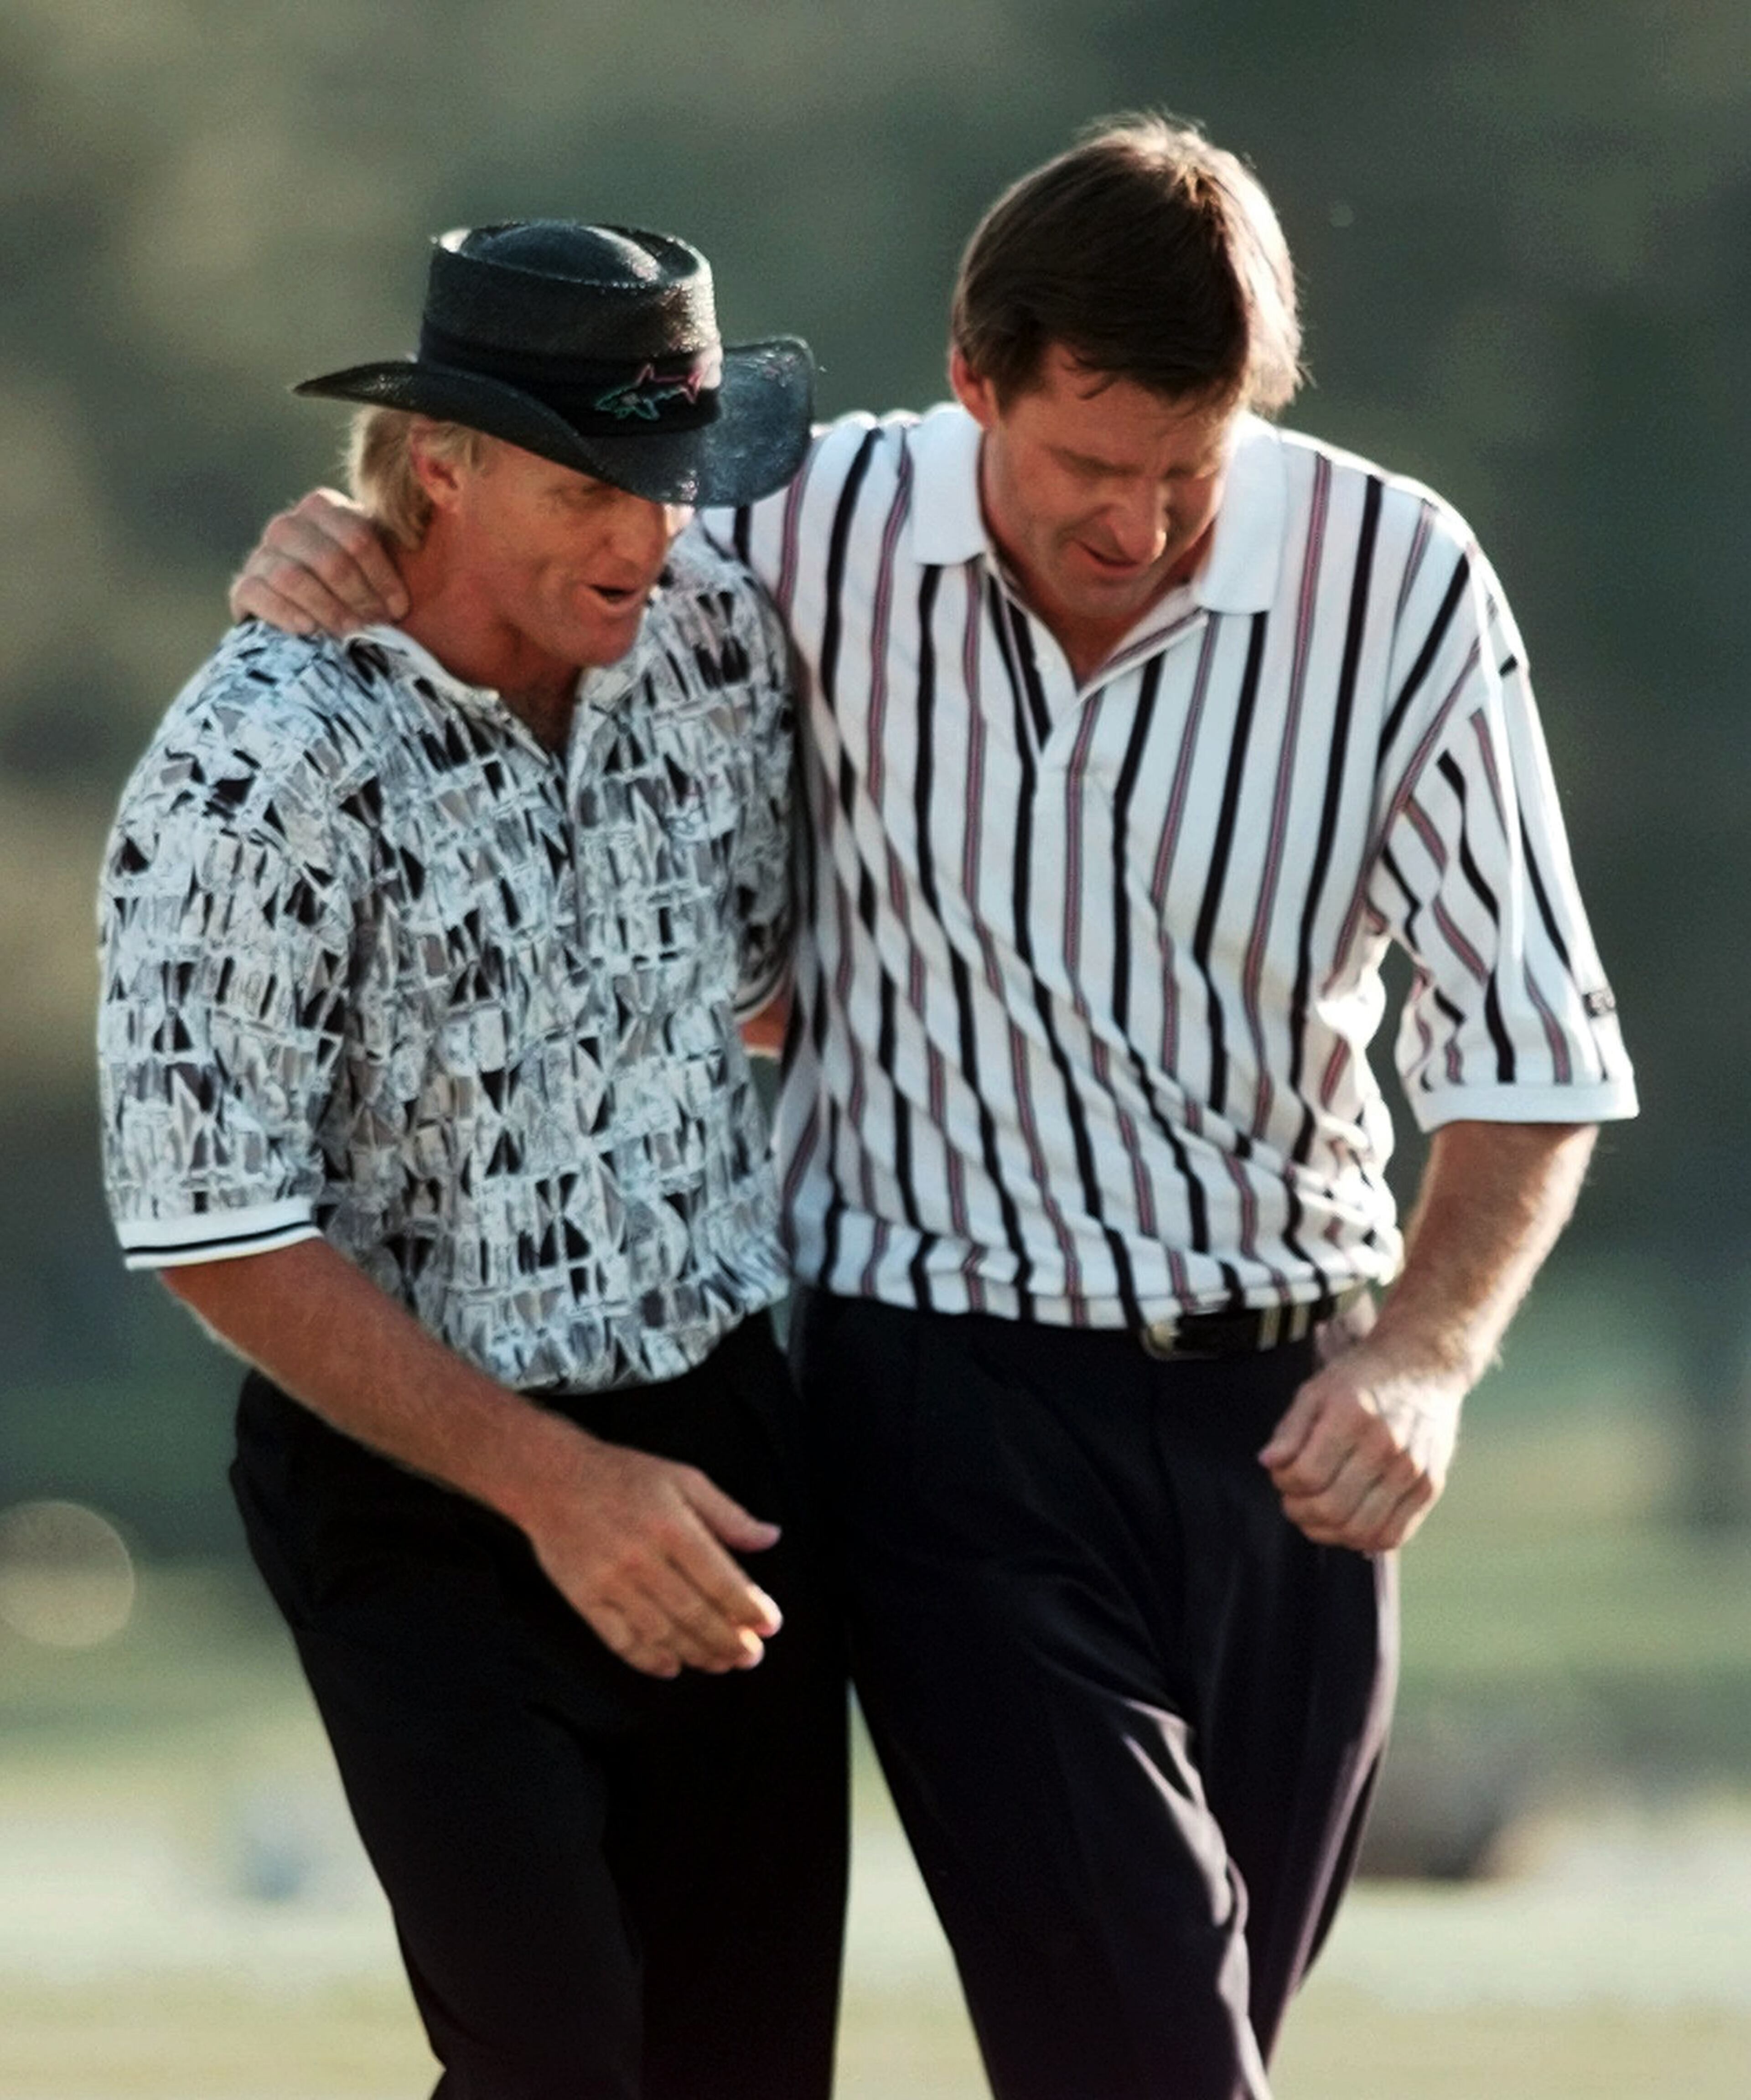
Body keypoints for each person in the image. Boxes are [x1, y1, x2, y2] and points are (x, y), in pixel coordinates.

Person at [230, 119, 1638, 2100]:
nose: (1139, 523)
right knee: (1149, 2055)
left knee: (1189, 2035)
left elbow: (1533, 1039)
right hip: (942, 1410)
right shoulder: (801, 528)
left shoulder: (1400, 580)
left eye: (1190, 467)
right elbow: (539, 553)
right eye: (1087, 465)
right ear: (975, 379)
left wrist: (1423, 1357)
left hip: (1293, 1434)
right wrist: (349, 548)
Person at [98, 219, 846, 2100]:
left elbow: (768, 991)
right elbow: (210, 1221)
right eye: (591, 487)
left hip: (720, 1445)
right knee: (554, 2061)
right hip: (410, 1486)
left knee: (744, 2067)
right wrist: (555, 1489)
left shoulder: (720, 644)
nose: (646, 537)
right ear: (441, 464)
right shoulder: (258, 759)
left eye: (671, 483)